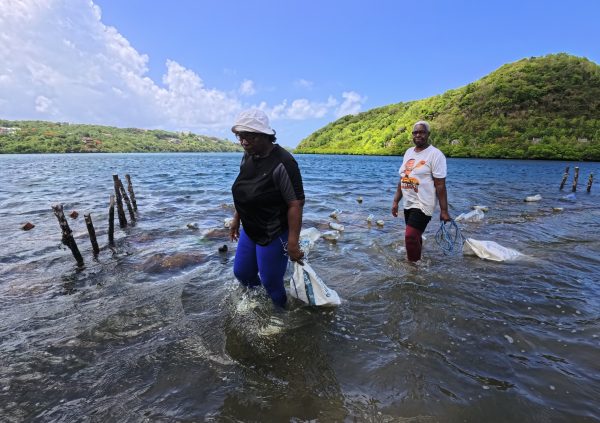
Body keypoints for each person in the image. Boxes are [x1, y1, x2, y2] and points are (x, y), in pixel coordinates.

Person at [229, 109, 305, 307]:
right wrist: (236, 219)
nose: (244, 142)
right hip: (251, 227)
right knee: (242, 273)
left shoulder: (284, 162)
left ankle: (280, 314)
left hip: (273, 231)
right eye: (240, 136)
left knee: (271, 281)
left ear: (265, 135)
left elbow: (295, 203)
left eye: (249, 136)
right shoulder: (247, 156)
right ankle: (258, 302)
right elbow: (244, 192)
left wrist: (293, 243)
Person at [391, 120, 451, 262]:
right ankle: (419, 259)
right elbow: (403, 178)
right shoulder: (408, 152)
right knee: (415, 235)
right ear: (412, 135)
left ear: (428, 134)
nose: (418, 135)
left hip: (424, 204)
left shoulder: (435, 154)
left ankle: (413, 268)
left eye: (422, 132)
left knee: (410, 236)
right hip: (408, 202)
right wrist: (395, 201)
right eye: (415, 132)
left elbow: (440, 184)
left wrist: (444, 210)